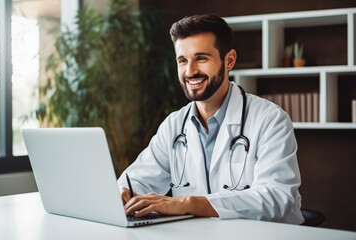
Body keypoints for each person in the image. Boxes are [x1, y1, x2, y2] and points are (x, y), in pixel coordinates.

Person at [118, 14, 304, 224]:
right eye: (182, 61)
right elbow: (137, 179)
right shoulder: (174, 124)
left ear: (229, 60)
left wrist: (189, 204)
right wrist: (124, 192)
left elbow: (276, 197)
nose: (190, 71)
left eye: (201, 58)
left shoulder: (270, 119)